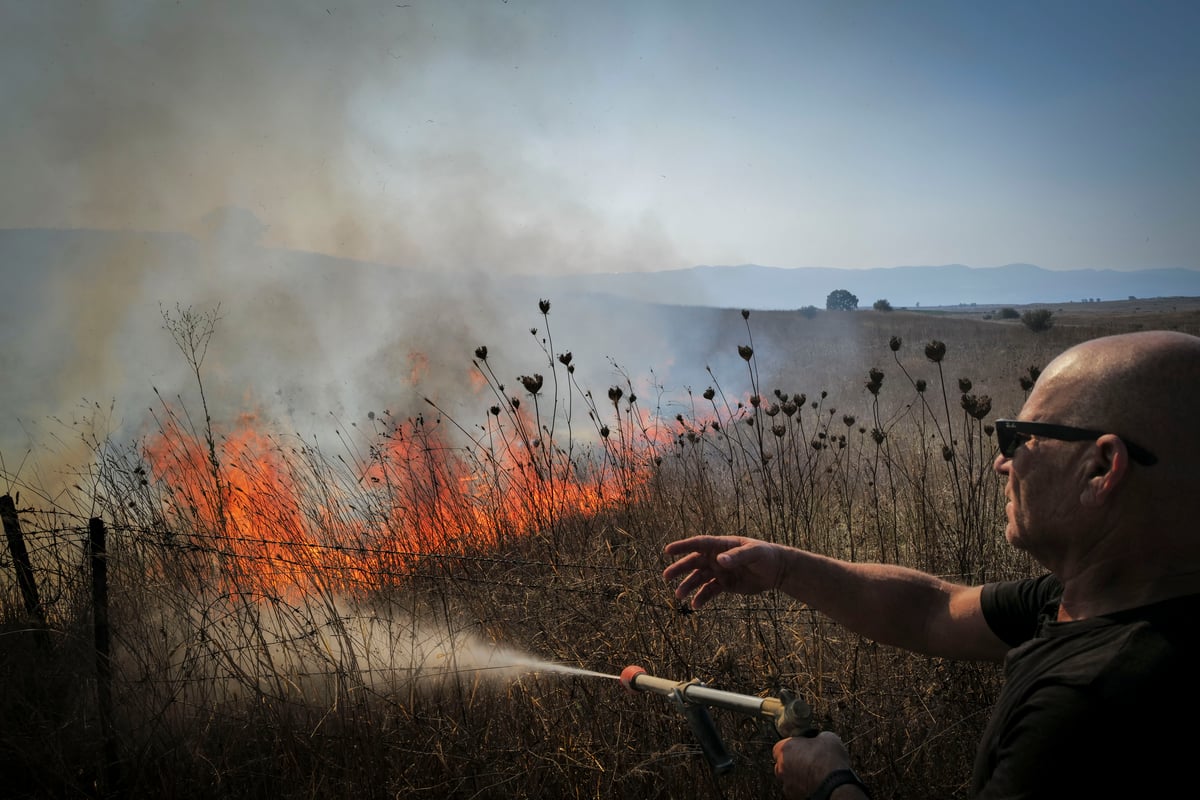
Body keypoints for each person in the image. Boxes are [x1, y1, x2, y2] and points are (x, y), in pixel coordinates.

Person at [662, 330, 1200, 799]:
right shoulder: (1093, 600)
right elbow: (933, 610)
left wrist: (831, 784)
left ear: (1101, 468)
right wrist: (783, 567)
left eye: (1020, 437)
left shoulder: (1088, 705)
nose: (1000, 461)